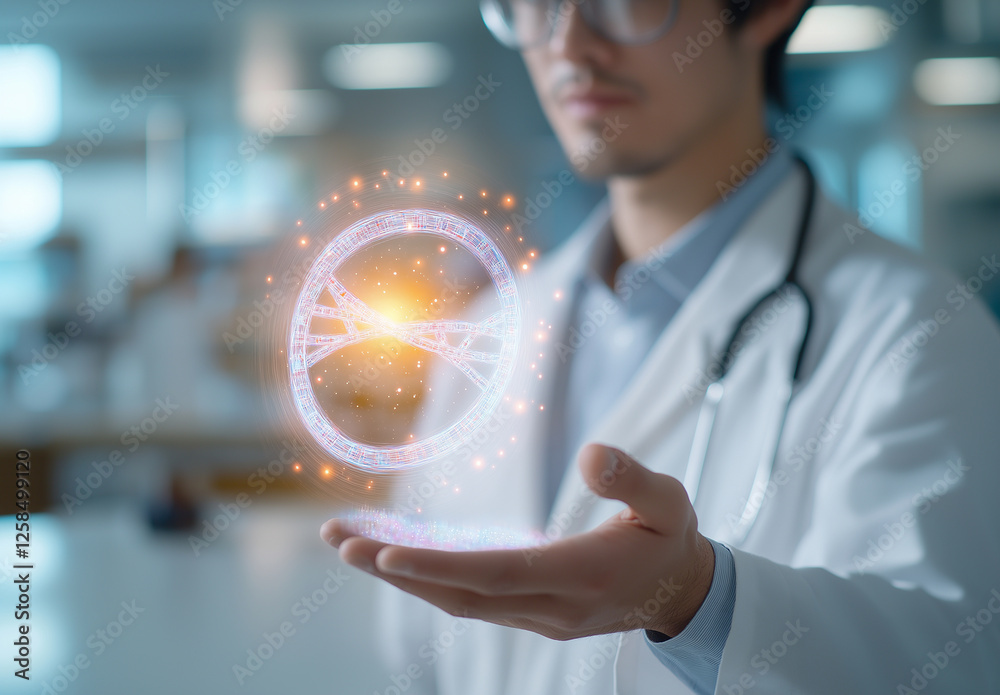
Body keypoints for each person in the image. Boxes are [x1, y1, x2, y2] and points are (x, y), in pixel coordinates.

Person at [321, 0, 1000, 692]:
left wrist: (699, 603)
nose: (571, 45)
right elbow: (416, 658)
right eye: (537, 5)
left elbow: (949, 662)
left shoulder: (918, 330)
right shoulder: (488, 335)